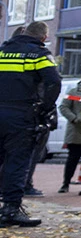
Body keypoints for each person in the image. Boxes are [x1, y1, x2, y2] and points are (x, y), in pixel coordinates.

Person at [0, 20, 60, 227]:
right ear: (43, 37)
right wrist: (44, 108)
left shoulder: (2, 50)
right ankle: (10, 209)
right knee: (16, 162)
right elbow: (54, 81)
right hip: (21, 115)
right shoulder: (38, 54)